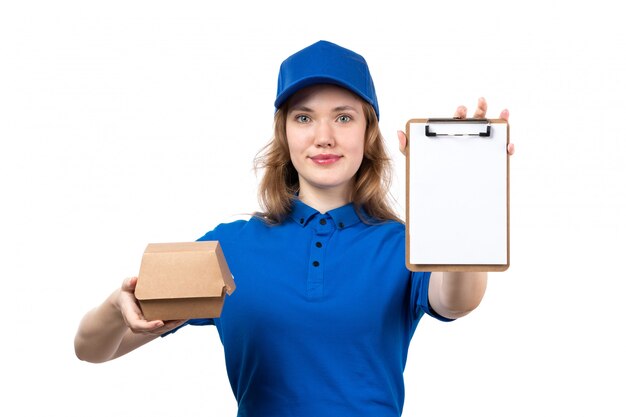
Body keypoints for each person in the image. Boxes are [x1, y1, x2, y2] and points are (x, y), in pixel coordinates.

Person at [75, 40, 514, 416]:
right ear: (284, 133)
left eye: (344, 117)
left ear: (368, 133)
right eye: (304, 117)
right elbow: (95, 349)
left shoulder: (405, 246)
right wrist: (117, 308)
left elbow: (459, 301)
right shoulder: (229, 247)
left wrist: (464, 201)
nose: (324, 135)